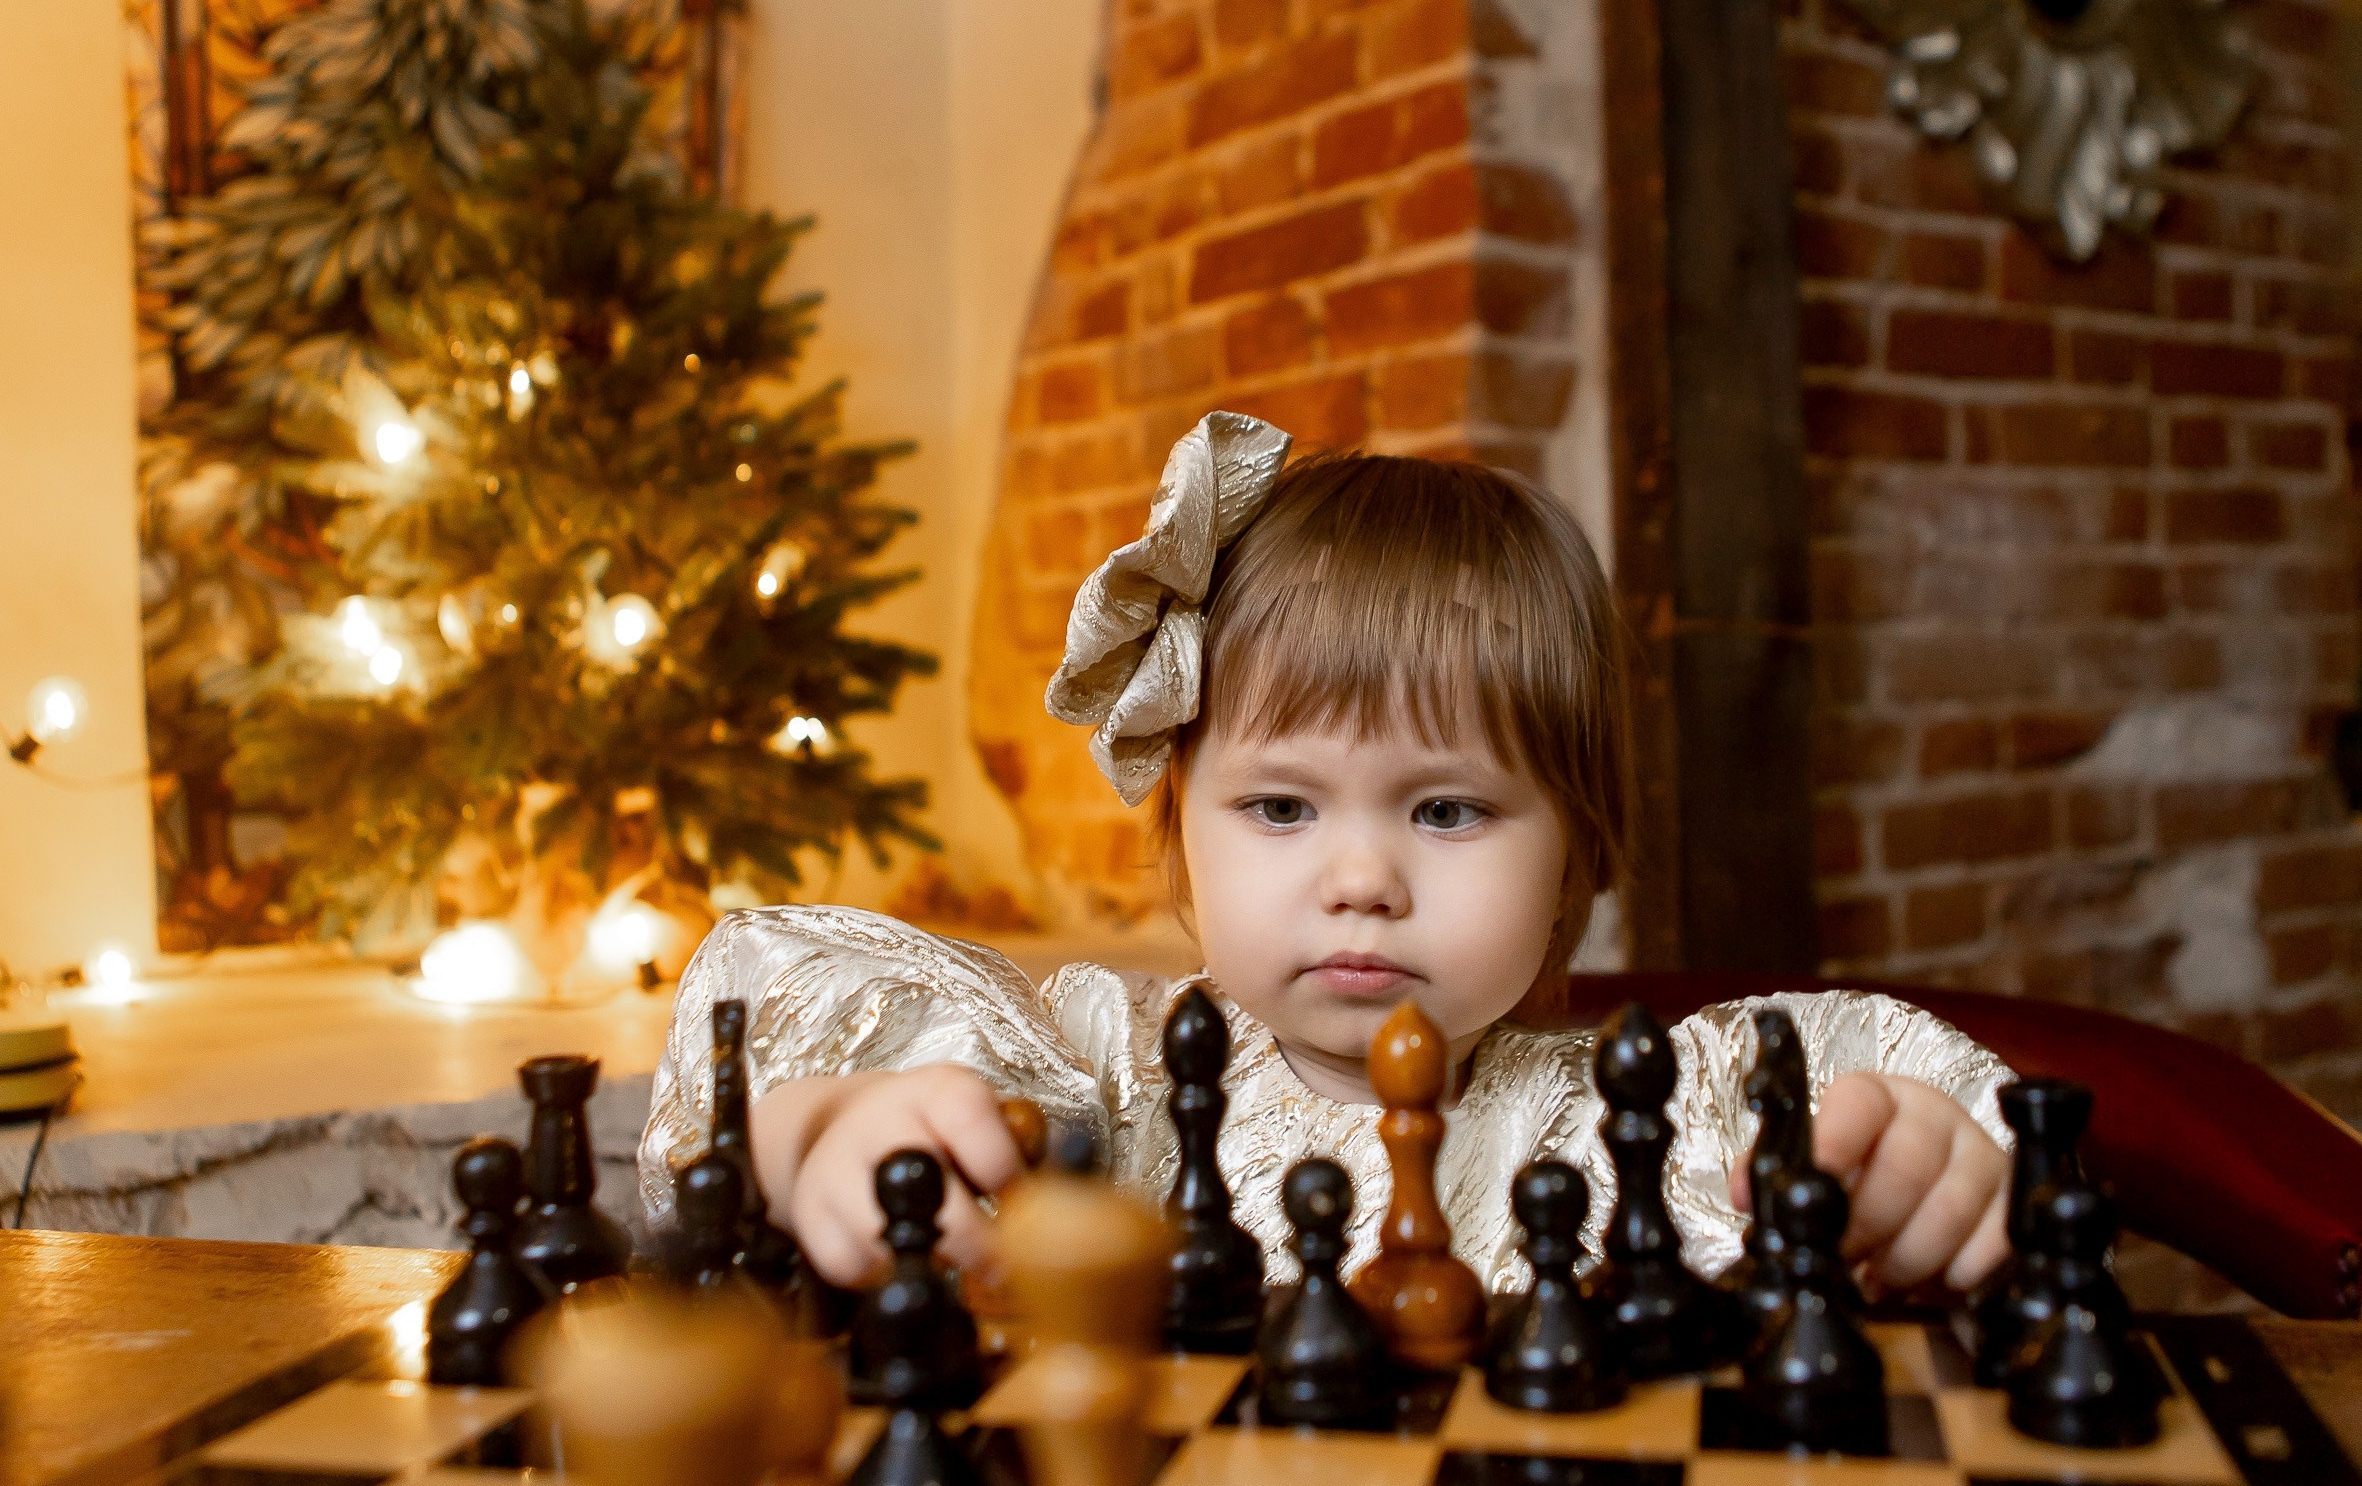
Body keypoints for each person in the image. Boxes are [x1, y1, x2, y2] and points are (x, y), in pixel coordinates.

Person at [639, 414, 2012, 1297]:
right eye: (1281, 809)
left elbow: (1898, 1089)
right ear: (1176, 835)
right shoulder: (1099, 1084)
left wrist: (1928, 1168)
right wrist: (825, 1133)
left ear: (1572, 863)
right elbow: (820, 1025)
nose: (1361, 880)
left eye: (1447, 812)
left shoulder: (1648, 1119)